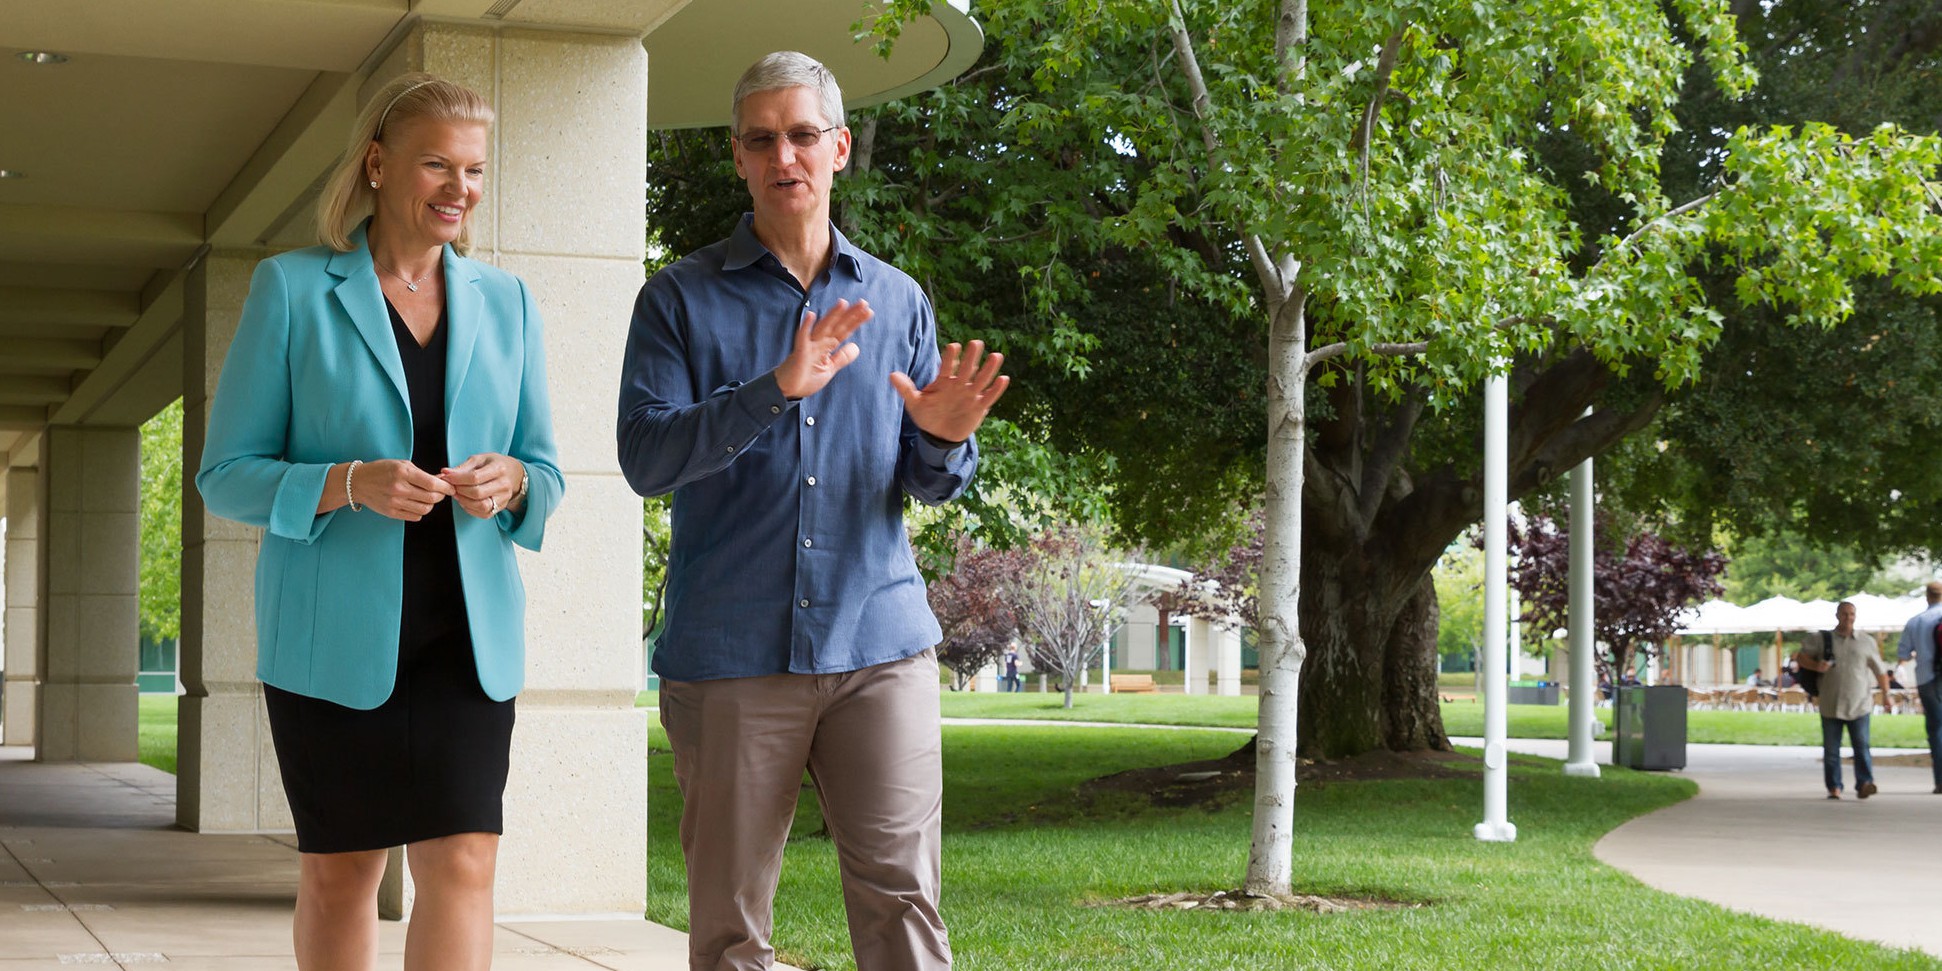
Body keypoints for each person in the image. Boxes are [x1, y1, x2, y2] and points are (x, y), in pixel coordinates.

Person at [616, 51, 1006, 971]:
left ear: (837, 148)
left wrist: (945, 439)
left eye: (801, 135)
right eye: (761, 139)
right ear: (740, 159)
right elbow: (647, 457)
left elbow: (924, 478)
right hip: (732, 651)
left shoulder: (897, 298)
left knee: (904, 903)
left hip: (880, 644)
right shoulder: (678, 298)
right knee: (727, 928)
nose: (782, 155)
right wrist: (774, 388)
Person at [196, 73, 563, 971]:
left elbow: (546, 469)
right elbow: (226, 476)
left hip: (466, 636)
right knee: (343, 868)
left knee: (466, 858)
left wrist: (513, 479)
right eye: (438, 162)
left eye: (474, 169)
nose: (459, 188)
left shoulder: (508, 302)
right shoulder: (290, 290)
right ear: (376, 164)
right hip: (334, 638)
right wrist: (348, 482)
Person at [1793, 602, 1894, 800]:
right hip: (1831, 702)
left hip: (1859, 703)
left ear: (1856, 616)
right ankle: (1834, 787)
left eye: (1852, 614)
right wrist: (1816, 665)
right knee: (1831, 749)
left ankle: (1864, 783)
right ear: (1837, 615)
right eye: (1845, 614)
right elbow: (1801, 657)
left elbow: (1880, 671)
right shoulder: (1823, 640)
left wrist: (1887, 694)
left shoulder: (1866, 641)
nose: (1848, 617)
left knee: (1862, 746)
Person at [1894, 580, 1942, 794]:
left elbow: (1903, 653)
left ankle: (1940, 780)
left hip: (1927, 678)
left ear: (1927, 596)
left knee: (1936, 728)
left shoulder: (1917, 621)